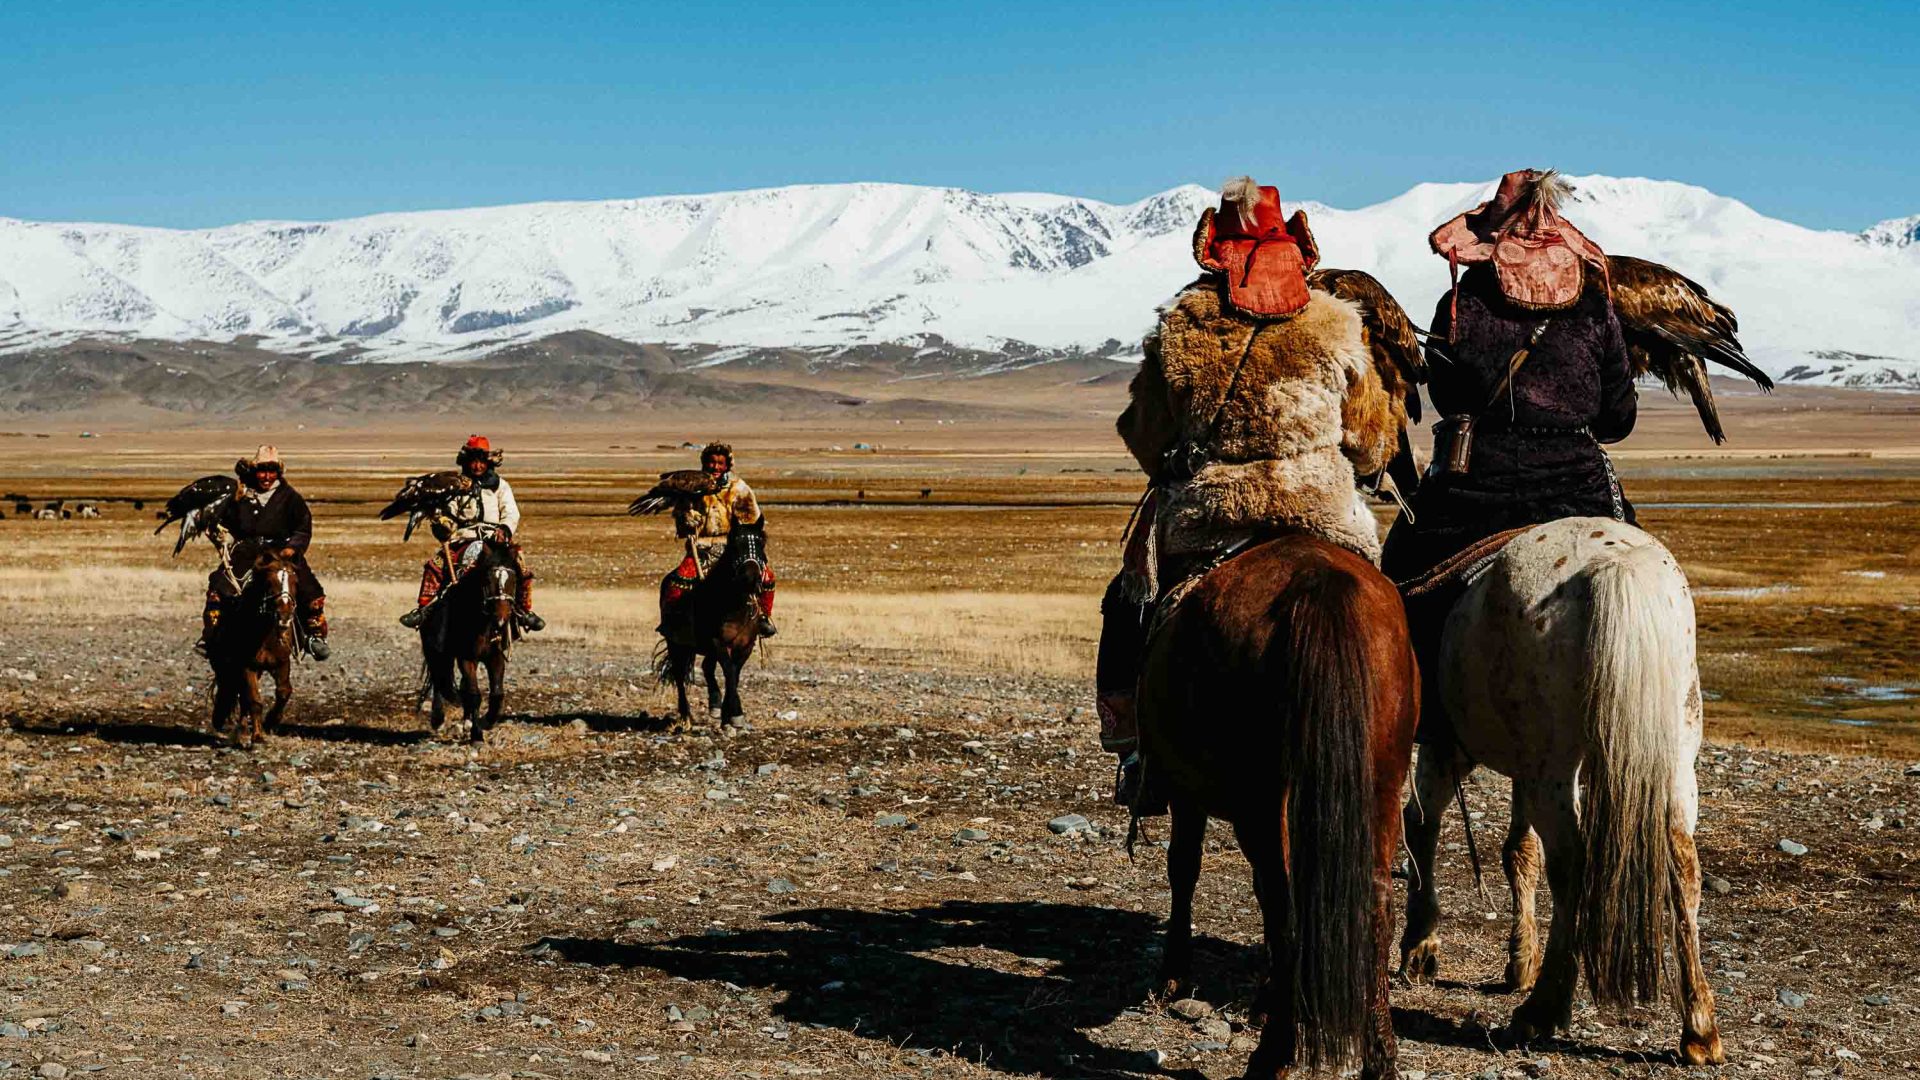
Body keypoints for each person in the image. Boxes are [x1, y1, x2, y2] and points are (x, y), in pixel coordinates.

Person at [1097, 177, 1403, 805]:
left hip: (1214, 512)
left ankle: (1138, 753)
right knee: (1389, 611)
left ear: (1214, 248)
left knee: (1126, 606)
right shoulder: (1337, 326)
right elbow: (1371, 439)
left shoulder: (1183, 325)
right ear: (1295, 249)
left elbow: (1145, 436)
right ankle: (1401, 753)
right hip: (1324, 509)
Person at [1380, 168, 1637, 740]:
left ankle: (1420, 723)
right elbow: (1618, 420)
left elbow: (1447, 397)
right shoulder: (1597, 306)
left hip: (1478, 488)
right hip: (1582, 489)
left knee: (1398, 580)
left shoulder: (1462, 301)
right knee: (1642, 568)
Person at [398, 435, 544, 631]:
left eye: (481, 461)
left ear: (488, 462)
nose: (476, 466)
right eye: (473, 462)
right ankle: (424, 609)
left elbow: (511, 512)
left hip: (496, 539)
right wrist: (443, 525)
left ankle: (523, 611)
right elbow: (448, 513)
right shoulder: (456, 485)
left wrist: (505, 529)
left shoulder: (501, 486)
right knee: (436, 564)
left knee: (520, 564)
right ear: (466, 462)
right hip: (464, 538)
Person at [198, 445, 331, 661]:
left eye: (271, 471)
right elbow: (226, 524)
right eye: (262, 471)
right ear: (254, 471)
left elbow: (302, 528)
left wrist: (293, 547)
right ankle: (212, 636)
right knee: (220, 586)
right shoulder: (240, 495)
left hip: (281, 552)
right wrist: (225, 537)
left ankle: (312, 636)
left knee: (308, 588)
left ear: (278, 472)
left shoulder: (290, 498)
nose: (266, 476)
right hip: (246, 552)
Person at [658, 442, 777, 637]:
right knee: (676, 581)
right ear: (704, 463)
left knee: (767, 577)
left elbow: (751, 521)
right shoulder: (692, 486)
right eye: (711, 462)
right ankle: (674, 622)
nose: (715, 467)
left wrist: (741, 540)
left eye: (720, 463)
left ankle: (763, 617)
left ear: (727, 465)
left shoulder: (739, 488)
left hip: (733, 549)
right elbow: (681, 520)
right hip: (702, 548)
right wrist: (686, 519)